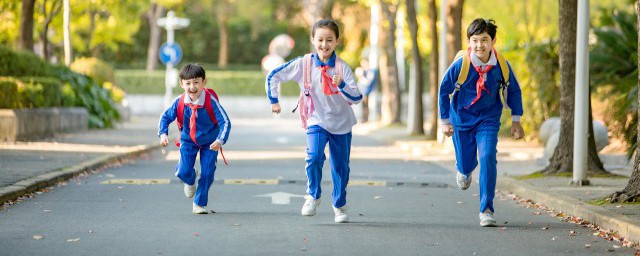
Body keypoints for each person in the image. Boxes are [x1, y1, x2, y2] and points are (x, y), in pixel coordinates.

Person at [265, 19, 362, 223]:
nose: (324, 45)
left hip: (341, 123)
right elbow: (274, 76)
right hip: (316, 119)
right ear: (312, 40)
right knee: (314, 156)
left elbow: (356, 97)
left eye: (329, 40)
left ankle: (339, 205)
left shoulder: (342, 67)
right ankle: (313, 195)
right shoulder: (304, 63)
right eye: (320, 39)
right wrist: (274, 100)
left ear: (337, 41)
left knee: (340, 167)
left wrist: (342, 85)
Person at [438, 18, 524, 227]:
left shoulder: (501, 65)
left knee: (487, 157)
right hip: (461, 119)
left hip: (488, 119)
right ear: (469, 41)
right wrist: (445, 121)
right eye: (475, 40)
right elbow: (443, 90)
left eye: (484, 40)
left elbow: (514, 90)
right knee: (466, 163)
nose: (479, 45)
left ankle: (486, 209)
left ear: (493, 40)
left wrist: (516, 120)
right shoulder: (461, 64)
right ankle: (464, 170)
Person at [158, 63, 231, 214]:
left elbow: (225, 122)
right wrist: (163, 134)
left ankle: (199, 203)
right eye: (188, 83)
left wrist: (219, 140)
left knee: (208, 172)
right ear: (181, 84)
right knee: (183, 172)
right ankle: (190, 180)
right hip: (188, 141)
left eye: (196, 82)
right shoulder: (180, 102)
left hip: (210, 143)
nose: (192, 87)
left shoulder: (211, 101)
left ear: (204, 82)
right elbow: (165, 117)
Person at [354, 58, 377, 123]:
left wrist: (361, 76)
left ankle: (365, 119)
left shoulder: (370, 71)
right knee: (363, 105)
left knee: (365, 104)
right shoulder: (362, 71)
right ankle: (364, 118)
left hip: (366, 91)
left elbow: (368, 82)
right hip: (361, 90)